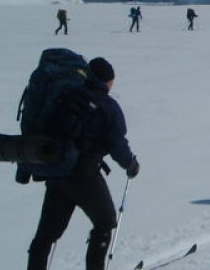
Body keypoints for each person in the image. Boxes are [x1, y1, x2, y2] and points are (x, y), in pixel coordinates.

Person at [26, 57, 140, 270]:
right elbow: (117, 144)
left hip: (56, 172)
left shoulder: (66, 95)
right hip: (84, 176)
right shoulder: (107, 106)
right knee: (105, 222)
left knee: (46, 236)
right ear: (107, 81)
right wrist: (130, 164)